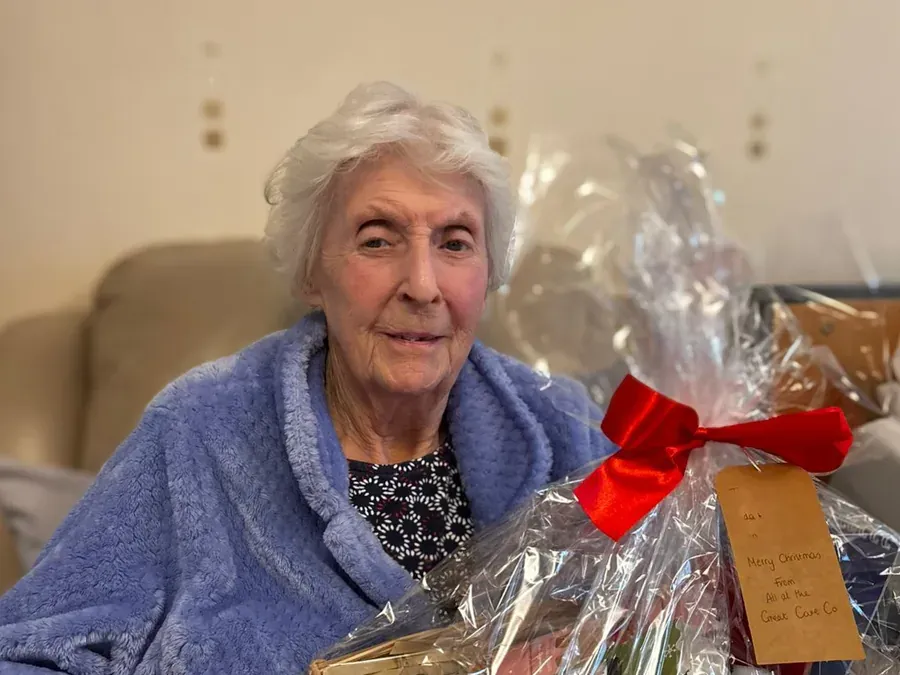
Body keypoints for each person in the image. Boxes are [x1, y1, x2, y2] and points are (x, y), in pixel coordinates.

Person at [0, 82, 614, 673]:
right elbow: (29, 649)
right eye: (378, 241)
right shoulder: (201, 431)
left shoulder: (563, 431)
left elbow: (672, 611)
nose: (423, 285)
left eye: (455, 243)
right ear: (311, 274)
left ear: (487, 275)